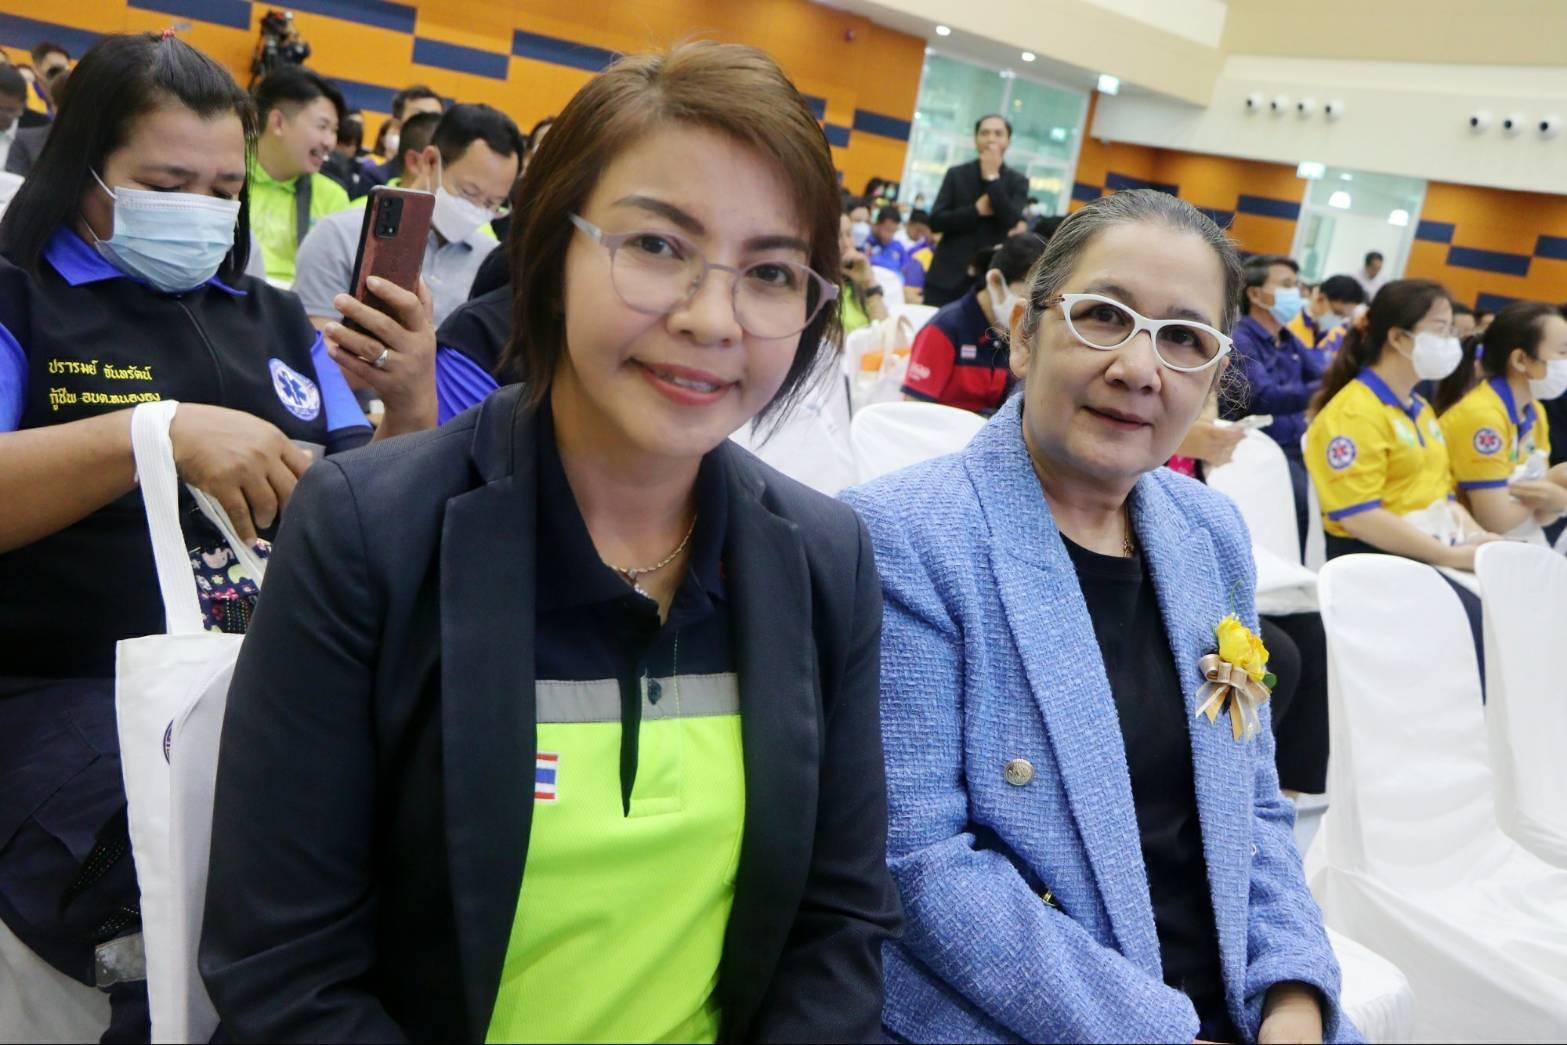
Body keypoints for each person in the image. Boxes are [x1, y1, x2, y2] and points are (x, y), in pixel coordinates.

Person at [199, 41, 901, 1042]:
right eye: (655, 245)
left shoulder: (825, 559)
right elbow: (285, 967)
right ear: (550, 251)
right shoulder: (368, 532)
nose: (712, 319)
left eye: (772, 272)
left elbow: (840, 925)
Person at [0, 32, 440, 1042]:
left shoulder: (275, 322)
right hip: (65, 690)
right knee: (197, 853)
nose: (199, 210)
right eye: (166, 185)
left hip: (275, 686)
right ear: (83, 172)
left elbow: (375, 510)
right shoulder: (19, 298)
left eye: (222, 188)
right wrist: (148, 433)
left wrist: (412, 398)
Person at [843, 189, 1352, 1044]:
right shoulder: (904, 536)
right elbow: (922, 865)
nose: (1138, 369)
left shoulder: (1209, 532)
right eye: (1104, 317)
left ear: (1212, 377)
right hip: (1032, 1016)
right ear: (1024, 332)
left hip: (1234, 996)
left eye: (1183, 338)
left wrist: (1294, 995)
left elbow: (1253, 808)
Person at [1305, 279, 1498, 671]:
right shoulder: (1354, 413)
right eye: (1441, 330)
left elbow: (1442, 497)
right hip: (1374, 560)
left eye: (1453, 331)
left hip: (1426, 548)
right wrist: (1449, 555)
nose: (1452, 342)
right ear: (1398, 337)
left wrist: (1478, 537)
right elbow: (1359, 515)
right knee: (1479, 623)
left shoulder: (1420, 409)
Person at [294, 103, 522, 332]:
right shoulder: (340, 236)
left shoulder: (492, 265)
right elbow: (317, 343)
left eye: (493, 204)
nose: (477, 210)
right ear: (430, 161)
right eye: (469, 192)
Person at [1435, 300, 1567, 545]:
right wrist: (1551, 486)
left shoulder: (1535, 411)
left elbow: (1541, 516)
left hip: (1511, 541)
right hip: (1459, 541)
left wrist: (1554, 496)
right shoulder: (1482, 417)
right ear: (1521, 360)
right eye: (1563, 353)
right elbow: (1494, 519)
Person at [1224, 253, 1326, 553]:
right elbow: (1264, 397)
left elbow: (1320, 376)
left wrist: (1327, 383)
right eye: (1286, 285)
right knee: (1302, 507)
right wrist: (1324, 388)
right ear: (1255, 295)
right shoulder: (1241, 339)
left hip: (1297, 445)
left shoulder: (1288, 339)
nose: (1296, 293)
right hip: (1260, 447)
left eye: (1296, 285)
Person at [901, 232, 1044, 414]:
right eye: (1028, 297)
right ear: (995, 281)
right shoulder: (944, 330)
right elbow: (912, 411)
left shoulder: (1020, 335)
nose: (1031, 310)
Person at [248, 66, 354, 283]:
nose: (330, 142)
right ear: (278, 123)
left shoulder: (333, 197)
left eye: (334, 130)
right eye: (322, 127)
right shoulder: (225, 178)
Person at [923, 114, 1029, 307]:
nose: (991, 139)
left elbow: (1010, 219)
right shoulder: (956, 174)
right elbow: (936, 221)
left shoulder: (1017, 181)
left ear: (1008, 141)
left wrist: (992, 178)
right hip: (945, 275)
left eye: (998, 134)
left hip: (987, 281)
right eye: (984, 133)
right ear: (976, 139)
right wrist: (975, 211)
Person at [836, 210, 889, 336]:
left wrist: (869, 284)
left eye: (849, 234)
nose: (847, 244)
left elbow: (887, 334)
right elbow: (840, 344)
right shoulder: (814, 291)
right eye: (837, 237)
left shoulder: (857, 283)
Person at [371, 83, 442, 172]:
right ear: (396, 126)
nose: (427, 124)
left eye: (434, 118)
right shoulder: (375, 176)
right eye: (418, 117)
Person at [1287, 273, 1365, 353]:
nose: (1339, 321)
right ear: (1321, 298)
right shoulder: (1291, 328)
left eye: (1344, 317)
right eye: (1337, 313)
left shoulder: (1329, 335)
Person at [864, 203, 908, 275]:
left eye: (893, 231)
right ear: (877, 224)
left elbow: (905, 270)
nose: (890, 235)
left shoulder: (898, 247)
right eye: (888, 230)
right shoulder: (865, 240)